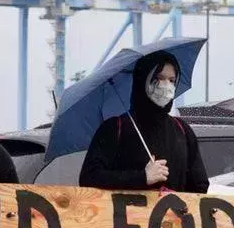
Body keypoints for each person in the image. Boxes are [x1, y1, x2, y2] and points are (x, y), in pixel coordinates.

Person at [79, 51, 208, 193]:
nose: (166, 85)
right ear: (143, 80)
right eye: (159, 78)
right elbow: (89, 178)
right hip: (125, 214)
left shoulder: (182, 130)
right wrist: (141, 177)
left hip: (173, 214)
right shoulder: (115, 128)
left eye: (172, 80)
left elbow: (200, 186)